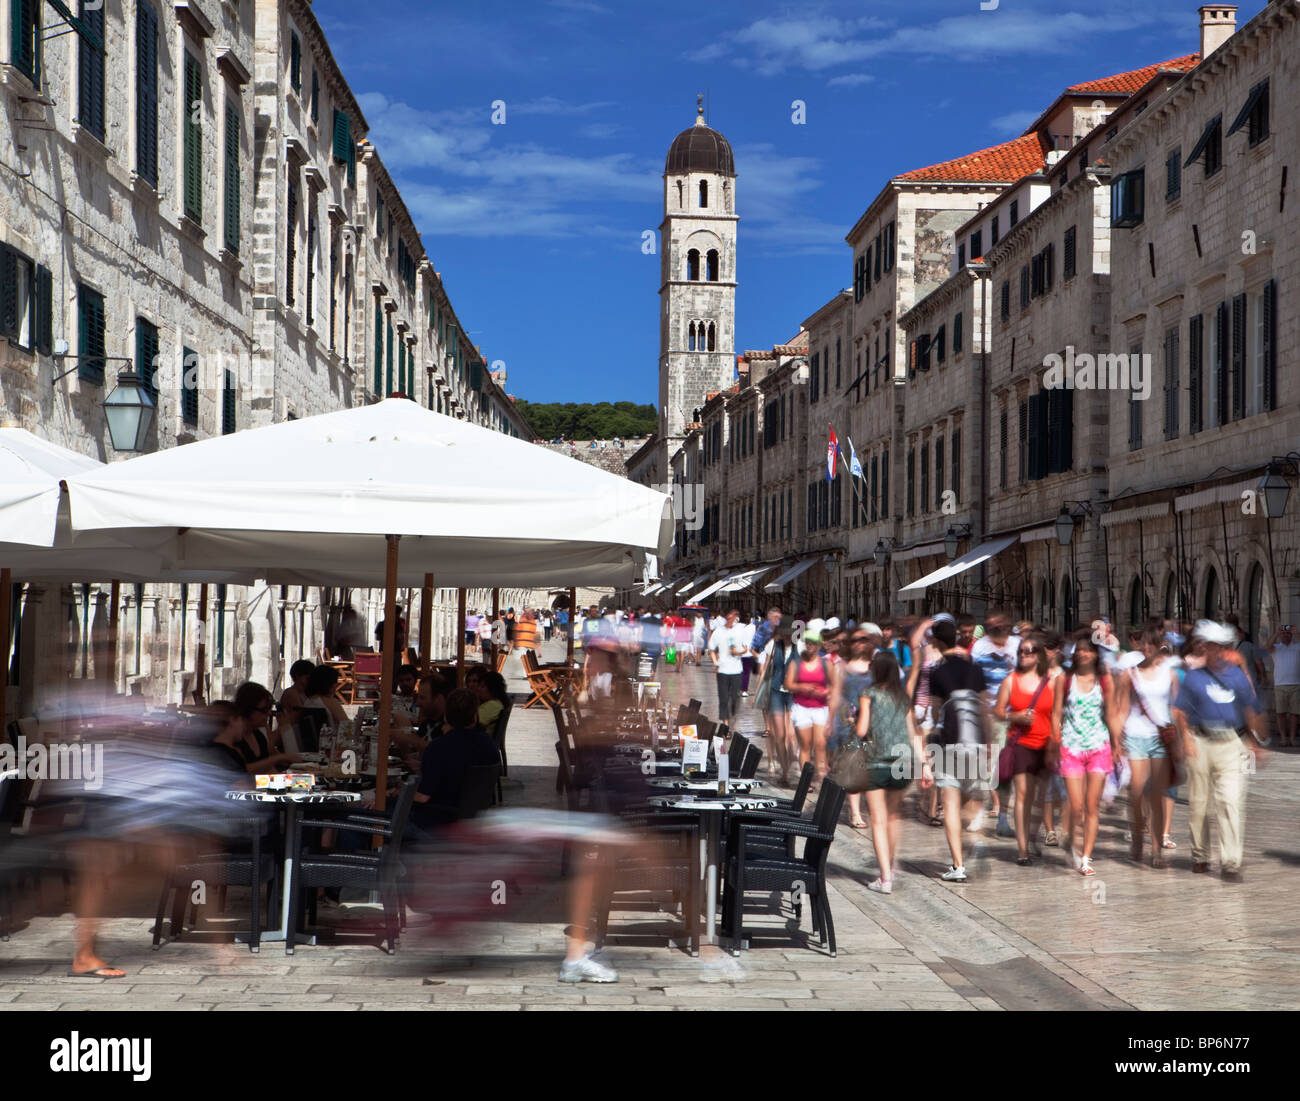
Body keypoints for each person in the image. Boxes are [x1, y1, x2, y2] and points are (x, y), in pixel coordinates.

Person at [1172, 621, 1266, 881]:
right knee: (1199, 804)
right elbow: (1179, 710)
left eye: (1217, 646)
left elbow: (1250, 708)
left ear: (1224, 648)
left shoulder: (1236, 675)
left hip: (1231, 743)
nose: (1212, 650)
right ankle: (1199, 854)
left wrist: (1255, 742)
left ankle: (1231, 861)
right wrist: (1186, 739)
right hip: (1201, 741)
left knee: (1230, 801)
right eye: (1208, 645)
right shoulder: (1194, 677)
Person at [855, 651, 929, 893]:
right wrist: (924, 766)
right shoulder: (903, 697)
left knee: (877, 819)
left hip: (876, 762)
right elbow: (913, 733)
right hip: (903, 763)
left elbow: (861, 730)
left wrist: (852, 720)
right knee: (894, 816)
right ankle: (892, 865)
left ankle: (885, 878)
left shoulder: (868, 694)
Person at [1110, 624, 1180, 866]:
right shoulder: (1129, 674)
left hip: (1160, 738)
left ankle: (1157, 848)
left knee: (1157, 796)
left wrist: (1181, 739)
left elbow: (1176, 709)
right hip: (1136, 736)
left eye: (1152, 643)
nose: (1147, 648)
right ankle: (1138, 835)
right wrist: (1116, 742)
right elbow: (1120, 710)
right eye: (1144, 644)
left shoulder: (1168, 674)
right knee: (1137, 792)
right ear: (1139, 646)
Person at [926, 618, 989, 882]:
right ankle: (967, 835)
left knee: (949, 803)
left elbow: (935, 711)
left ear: (937, 642)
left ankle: (958, 865)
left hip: (950, 744)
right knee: (964, 798)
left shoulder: (937, 672)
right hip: (975, 743)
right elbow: (985, 710)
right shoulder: (974, 668)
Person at [1053, 631, 1118, 876]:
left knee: (1092, 807)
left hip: (1099, 748)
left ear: (1095, 654)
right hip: (1071, 747)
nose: (1083, 653)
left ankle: (1086, 857)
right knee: (1077, 806)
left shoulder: (1105, 680)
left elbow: (1111, 713)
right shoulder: (1064, 679)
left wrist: (1117, 745)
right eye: (1079, 649)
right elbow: (1056, 712)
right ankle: (1073, 841)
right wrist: (1054, 741)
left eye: (1088, 650)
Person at [994, 633, 1054, 866]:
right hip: (1020, 745)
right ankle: (1022, 850)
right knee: (1022, 795)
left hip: (1045, 745)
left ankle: (1032, 835)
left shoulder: (1052, 682)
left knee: (1040, 799)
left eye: (1029, 651)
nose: (1024, 655)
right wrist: (1015, 715)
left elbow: (1058, 713)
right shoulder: (1011, 681)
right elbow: (998, 711)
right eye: (1021, 651)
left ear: (1039, 655)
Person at [409, 689, 502, 832]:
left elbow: (422, 797)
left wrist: (397, 793)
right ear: (475, 716)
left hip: (435, 823)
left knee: (371, 818)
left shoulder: (438, 748)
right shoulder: (489, 746)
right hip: (473, 822)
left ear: (446, 716)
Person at [971, 611, 1020, 837]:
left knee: (1003, 769)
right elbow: (974, 680)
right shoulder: (979, 647)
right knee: (982, 765)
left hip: (1010, 716)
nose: (998, 629)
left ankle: (1002, 816)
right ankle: (980, 810)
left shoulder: (1017, 646)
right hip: (984, 714)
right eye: (992, 626)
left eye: (1001, 625)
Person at [829, 627, 877, 829]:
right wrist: (830, 721)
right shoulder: (842, 666)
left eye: (864, 639)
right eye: (856, 640)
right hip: (849, 723)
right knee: (854, 764)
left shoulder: (876, 666)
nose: (860, 643)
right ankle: (855, 812)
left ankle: (872, 807)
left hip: (874, 721)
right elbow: (836, 694)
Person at [784, 621, 832, 781]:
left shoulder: (826, 664)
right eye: (808, 642)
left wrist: (825, 692)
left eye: (813, 643)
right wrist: (803, 687)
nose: (810, 646)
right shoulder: (796, 663)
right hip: (801, 707)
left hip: (820, 707)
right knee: (805, 745)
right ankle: (806, 779)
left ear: (818, 645)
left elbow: (835, 686)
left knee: (820, 744)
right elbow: (788, 684)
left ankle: (819, 775)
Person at [757, 615, 798, 784]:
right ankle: (785, 772)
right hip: (775, 691)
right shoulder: (773, 646)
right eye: (785, 633)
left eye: (790, 633)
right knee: (779, 734)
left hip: (793, 693)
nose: (787, 636)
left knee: (791, 734)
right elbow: (766, 668)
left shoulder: (799, 647)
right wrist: (758, 690)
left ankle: (788, 764)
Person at [226, 682, 298, 773]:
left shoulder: (258, 735)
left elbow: (269, 769)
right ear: (248, 709)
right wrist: (278, 758)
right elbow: (242, 770)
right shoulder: (234, 738)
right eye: (264, 710)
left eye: (269, 709)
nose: (269, 713)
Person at [707, 609, 748, 722]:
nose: (732, 619)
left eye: (734, 617)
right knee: (723, 698)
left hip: (736, 670)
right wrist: (715, 662)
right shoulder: (719, 631)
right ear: (726, 618)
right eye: (729, 617)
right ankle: (725, 725)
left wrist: (738, 653)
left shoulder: (740, 630)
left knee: (734, 698)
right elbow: (711, 649)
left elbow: (746, 648)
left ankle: (732, 715)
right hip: (723, 670)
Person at [1265, 623, 1299, 747]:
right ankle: (1284, 738)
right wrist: (1277, 633)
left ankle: (1292, 738)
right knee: (1281, 713)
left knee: (1295, 713)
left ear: (1291, 635)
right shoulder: (1276, 648)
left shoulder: (1297, 647)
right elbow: (1267, 646)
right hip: (1280, 684)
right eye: (1283, 634)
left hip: (1295, 684)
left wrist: (1296, 633)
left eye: (1287, 634)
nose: (1285, 636)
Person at [302, 664, 349, 730]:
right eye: (335, 681)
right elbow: (346, 726)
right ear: (330, 684)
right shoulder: (330, 702)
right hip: (331, 738)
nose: (336, 684)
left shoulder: (308, 701)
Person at [277, 659, 315, 739]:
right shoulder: (292, 693)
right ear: (298, 676)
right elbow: (301, 714)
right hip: (291, 733)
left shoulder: (303, 693)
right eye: (307, 678)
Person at [474, 670, 510, 738]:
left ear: (492, 689)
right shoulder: (496, 703)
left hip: (480, 741)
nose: (478, 689)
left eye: (482, 687)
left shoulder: (493, 705)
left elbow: (471, 722)